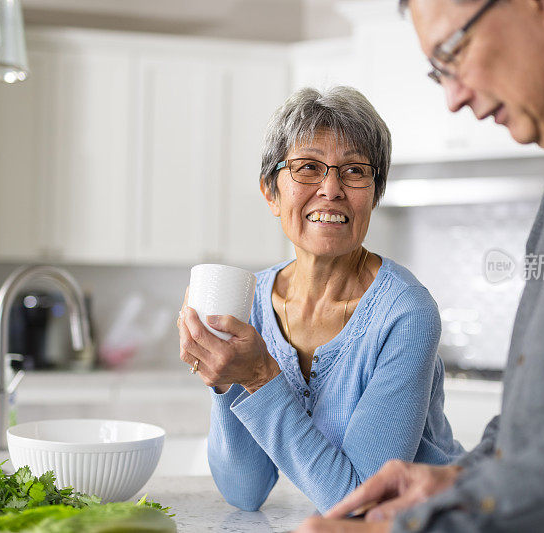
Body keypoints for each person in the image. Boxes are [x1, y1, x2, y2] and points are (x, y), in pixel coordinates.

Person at [296, 0, 544, 531]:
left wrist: (421, 526)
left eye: (453, 51)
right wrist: (463, 480)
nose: (453, 98)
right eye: (437, 72)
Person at [177, 86, 464, 514]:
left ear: (374, 194)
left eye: (353, 171)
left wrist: (258, 377)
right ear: (271, 192)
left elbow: (362, 505)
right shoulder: (251, 301)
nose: (331, 189)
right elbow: (244, 491)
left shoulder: (406, 313)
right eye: (308, 167)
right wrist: (223, 378)